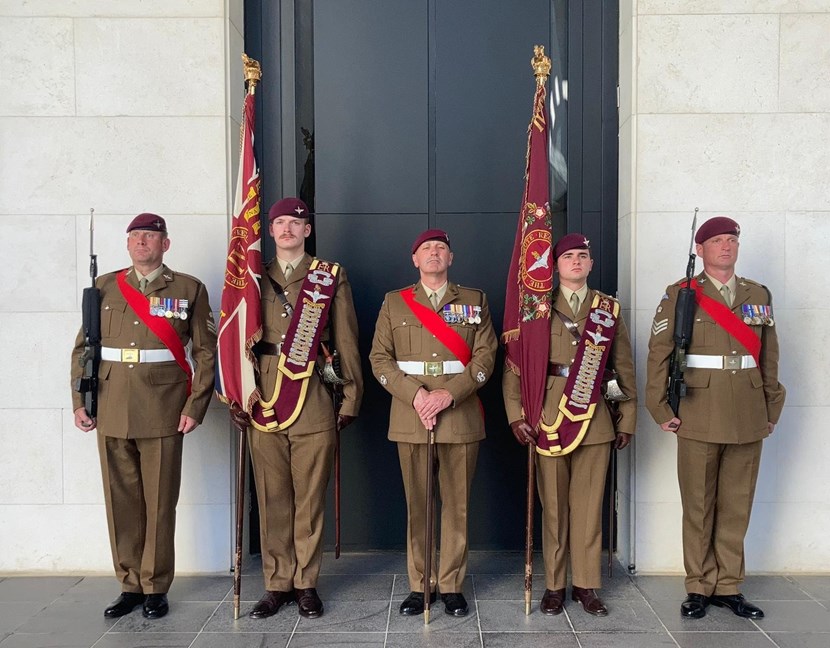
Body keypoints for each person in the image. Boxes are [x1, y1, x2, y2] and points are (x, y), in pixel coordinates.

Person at [71, 213, 217, 620]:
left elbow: (206, 352)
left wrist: (195, 406)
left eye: (150, 236)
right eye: (135, 236)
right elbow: (84, 349)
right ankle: (129, 585)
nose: (141, 243)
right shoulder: (103, 288)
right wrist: (80, 400)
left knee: (158, 502)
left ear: (165, 244)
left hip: (164, 409)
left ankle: (155, 586)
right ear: (127, 243)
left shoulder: (188, 288)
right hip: (112, 404)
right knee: (121, 503)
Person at [646, 216, 786, 620]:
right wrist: (661, 408)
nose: (726, 247)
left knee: (737, 504)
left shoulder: (757, 293)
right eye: (717, 241)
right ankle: (699, 585)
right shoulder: (681, 294)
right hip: (697, 410)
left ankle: (729, 586)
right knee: (699, 504)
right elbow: (659, 353)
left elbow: (768, 355)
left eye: (732, 240)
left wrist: (771, 406)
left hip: (747, 409)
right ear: (700, 249)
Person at [240, 197, 363, 620]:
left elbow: (346, 341)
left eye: (296, 222)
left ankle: (306, 582)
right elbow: (236, 340)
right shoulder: (252, 276)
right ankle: (277, 584)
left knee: (309, 498)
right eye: (280, 223)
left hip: (311, 396)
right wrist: (237, 394)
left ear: (307, 230)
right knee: (273, 497)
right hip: (265, 399)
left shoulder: (328, 276)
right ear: (270, 231)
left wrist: (351, 396)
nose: (288, 228)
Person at [503, 233, 637, 617]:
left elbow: (624, 366)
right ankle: (555, 585)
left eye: (583, 256)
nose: (576, 262)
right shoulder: (537, 307)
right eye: (568, 257)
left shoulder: (607, 310)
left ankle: (586, 584)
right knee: (555, 508)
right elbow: (516, 367)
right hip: (548, 415)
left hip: (594, 419)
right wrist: (516, 415)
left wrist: (626, 418)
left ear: (591, 264)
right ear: (555, 265)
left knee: (588, 506)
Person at [369, 229, 497, 618]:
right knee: (418, 504)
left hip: (459, 414)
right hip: (411, 414)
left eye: (441, 248)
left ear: (451, 258)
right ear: (415, 259)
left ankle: (452, 584)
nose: (434, 253)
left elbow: (486, 357)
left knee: (457, 506)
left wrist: (448, 394)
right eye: (426, 248)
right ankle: (419, 585)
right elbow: (379, 359)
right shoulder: (395, 302)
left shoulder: (475, 300)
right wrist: (417, 396)